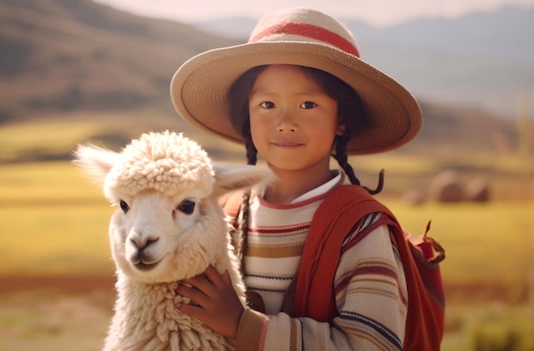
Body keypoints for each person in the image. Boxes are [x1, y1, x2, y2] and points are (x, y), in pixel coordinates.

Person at [171, 7, 423, 350]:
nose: (285, 121)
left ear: (341, 120)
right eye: (267, 104)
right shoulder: (223, 216)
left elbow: (374, 344)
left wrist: (242, 325)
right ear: (247, 114)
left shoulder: (360, 228)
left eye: (307, 105)